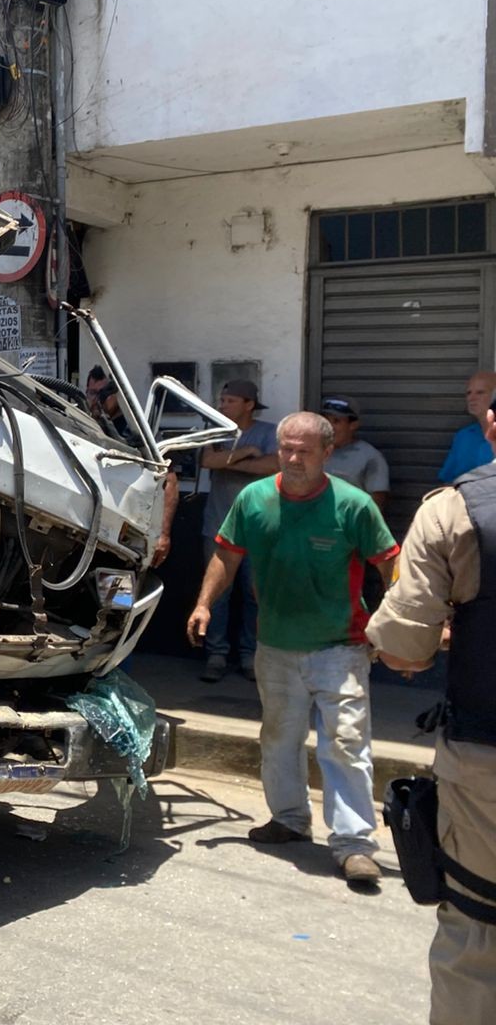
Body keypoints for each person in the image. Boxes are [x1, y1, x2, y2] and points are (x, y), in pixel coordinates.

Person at [187, 411, 399, 885]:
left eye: (305, 450)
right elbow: (227, 553)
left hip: (340, 646)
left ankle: (353, 844)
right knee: (278, 738)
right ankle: (288, 820)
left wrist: (397, 623)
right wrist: (204, 604)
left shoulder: (354, 505)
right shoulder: (254, 498)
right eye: (286, 449)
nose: (294, 458)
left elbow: (390, 564)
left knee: (345, 744)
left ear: (328, 453)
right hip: (276, 644)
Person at [367, 393, 496, 1024]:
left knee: (480, 928)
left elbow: (402, 647)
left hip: (487, 761)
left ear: (491, 423)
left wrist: (439, 636)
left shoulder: (458, 510)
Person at [196, 378, 279, 681]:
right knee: (217, 594)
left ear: (249, 404)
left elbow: (271, 466)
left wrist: (226, 462)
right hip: (218, 526)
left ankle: (250, 656)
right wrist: (246, 453)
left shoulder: (269, 432)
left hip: (259, 529)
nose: (222, 405)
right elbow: (208, 460)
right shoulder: (214, 431)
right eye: (222, 400)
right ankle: (216, 656)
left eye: (230, 401)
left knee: (254, 594)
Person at [318, 394, 389, 510]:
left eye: (336, 421)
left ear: (353, 425)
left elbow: (375, 505)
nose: (329, 427)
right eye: (326, 421)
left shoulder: (370, 457)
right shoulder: (313, 452)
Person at [438, 370, 496, 484]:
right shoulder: (463, 436)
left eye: (480, 392)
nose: (471, 398)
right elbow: (448, 481)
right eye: (468, 393)